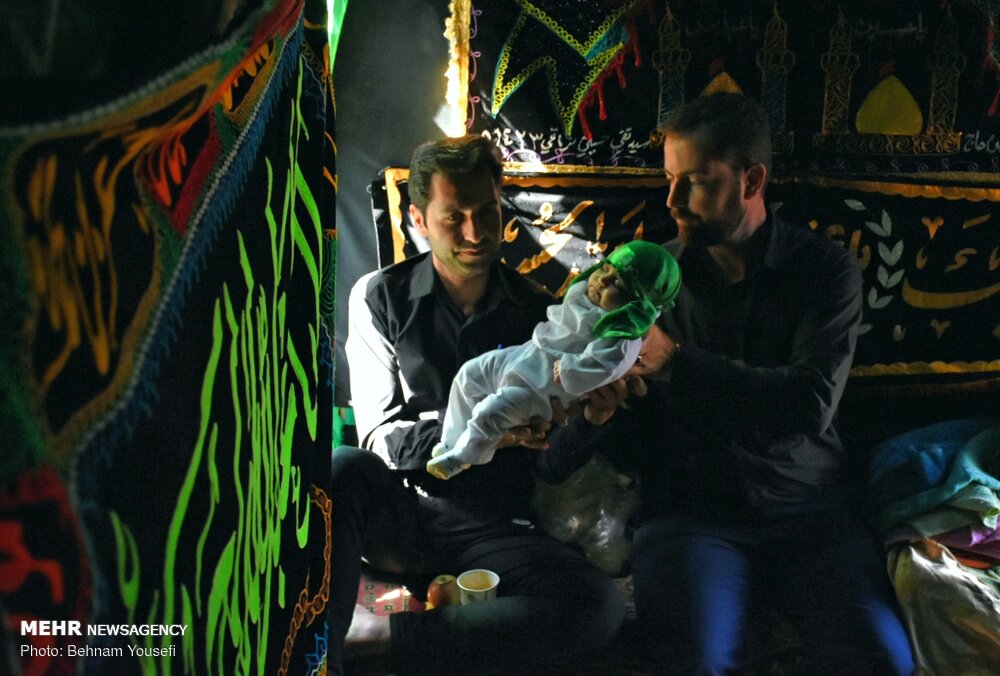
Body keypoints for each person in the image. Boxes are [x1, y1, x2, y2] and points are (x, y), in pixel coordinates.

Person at [545, 93, 915, 675]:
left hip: (807, 511)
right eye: (669, 179)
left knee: (883, 660)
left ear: (752, 180)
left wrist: (674, 362)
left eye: (694, 181)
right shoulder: (645, 281)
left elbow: (808, 405)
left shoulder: (824, 270)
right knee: (693, 664)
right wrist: (599, 410)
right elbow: (562, 451)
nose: (672, 201)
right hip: (692, 517)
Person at [330, 134, 625, 675]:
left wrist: (593, 419)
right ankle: (321, 641)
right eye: (454, 217)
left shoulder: (543, 316)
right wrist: (478, 434)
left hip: (491, 524)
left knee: (597, 607)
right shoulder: (378, 297)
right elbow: (378, 438)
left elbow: (550, 465)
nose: (475, 233)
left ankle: (379, 639)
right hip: (401, 512)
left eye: (487, 212)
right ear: (418, 219)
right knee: (341, 467)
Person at [427, 240, 681, 480]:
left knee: (491, 411)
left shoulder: (620, 338)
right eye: (605, 269)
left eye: (619, 285)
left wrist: (571, 369)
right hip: (524, 355)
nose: (602, 281)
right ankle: (451, 441)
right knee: (469, 375)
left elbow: (601, 366)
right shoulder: (582, 295)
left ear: (637, 307)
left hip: (541, 387)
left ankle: (462, 457)